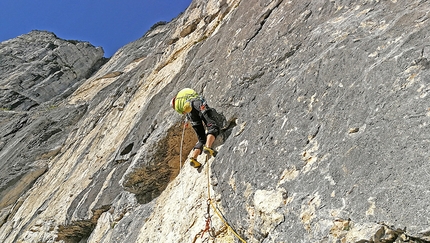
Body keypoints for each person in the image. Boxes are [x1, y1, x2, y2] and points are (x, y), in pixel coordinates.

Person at [171, 88, 219, 168]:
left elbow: (185, 112)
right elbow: (194, 95)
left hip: (191, 115)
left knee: (201, 139)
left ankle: (193, 158)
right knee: (212, 126)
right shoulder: (182, 93)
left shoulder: (178, 107)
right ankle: (208, 147)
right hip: (196, 104)